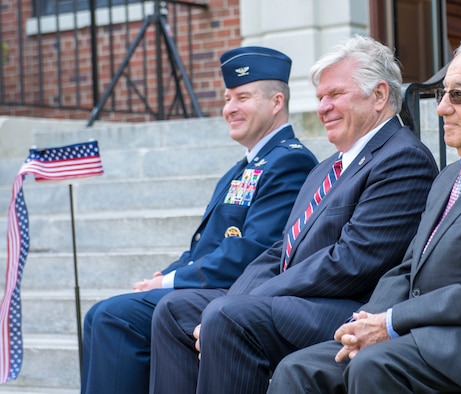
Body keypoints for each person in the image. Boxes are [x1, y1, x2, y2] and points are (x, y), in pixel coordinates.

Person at [268, 36, 461, 394]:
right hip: (426, 337)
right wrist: (368, 321)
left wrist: (391, 322)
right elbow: (407, 269)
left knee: (374, 365)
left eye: (459, 95)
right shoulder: (453, 174)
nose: (442, 108)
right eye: (443, 93)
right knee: (299, 368)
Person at [148, 35, 439, 394]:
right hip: (297, 300)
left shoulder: (402, 158)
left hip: (348, 309)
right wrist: (236, 296)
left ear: (379, 96)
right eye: (320, 98)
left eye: (335, 95)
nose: (323, 108)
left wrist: (248, 301)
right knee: (175, 310)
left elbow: (351, 261)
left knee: (227, 317)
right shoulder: (328, 167)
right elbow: (281, 249)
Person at [80, 46, 319, 394]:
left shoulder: (289, 163)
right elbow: (206, 247)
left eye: (243, 97)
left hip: (234, 292)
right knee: (103, 314)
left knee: (112, 317)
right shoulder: (242, 168)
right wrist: (166, 274)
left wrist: (170, 282)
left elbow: (254, 251)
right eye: (226, 99)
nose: (230, 109)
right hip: (205, 286)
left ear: (277, 102)